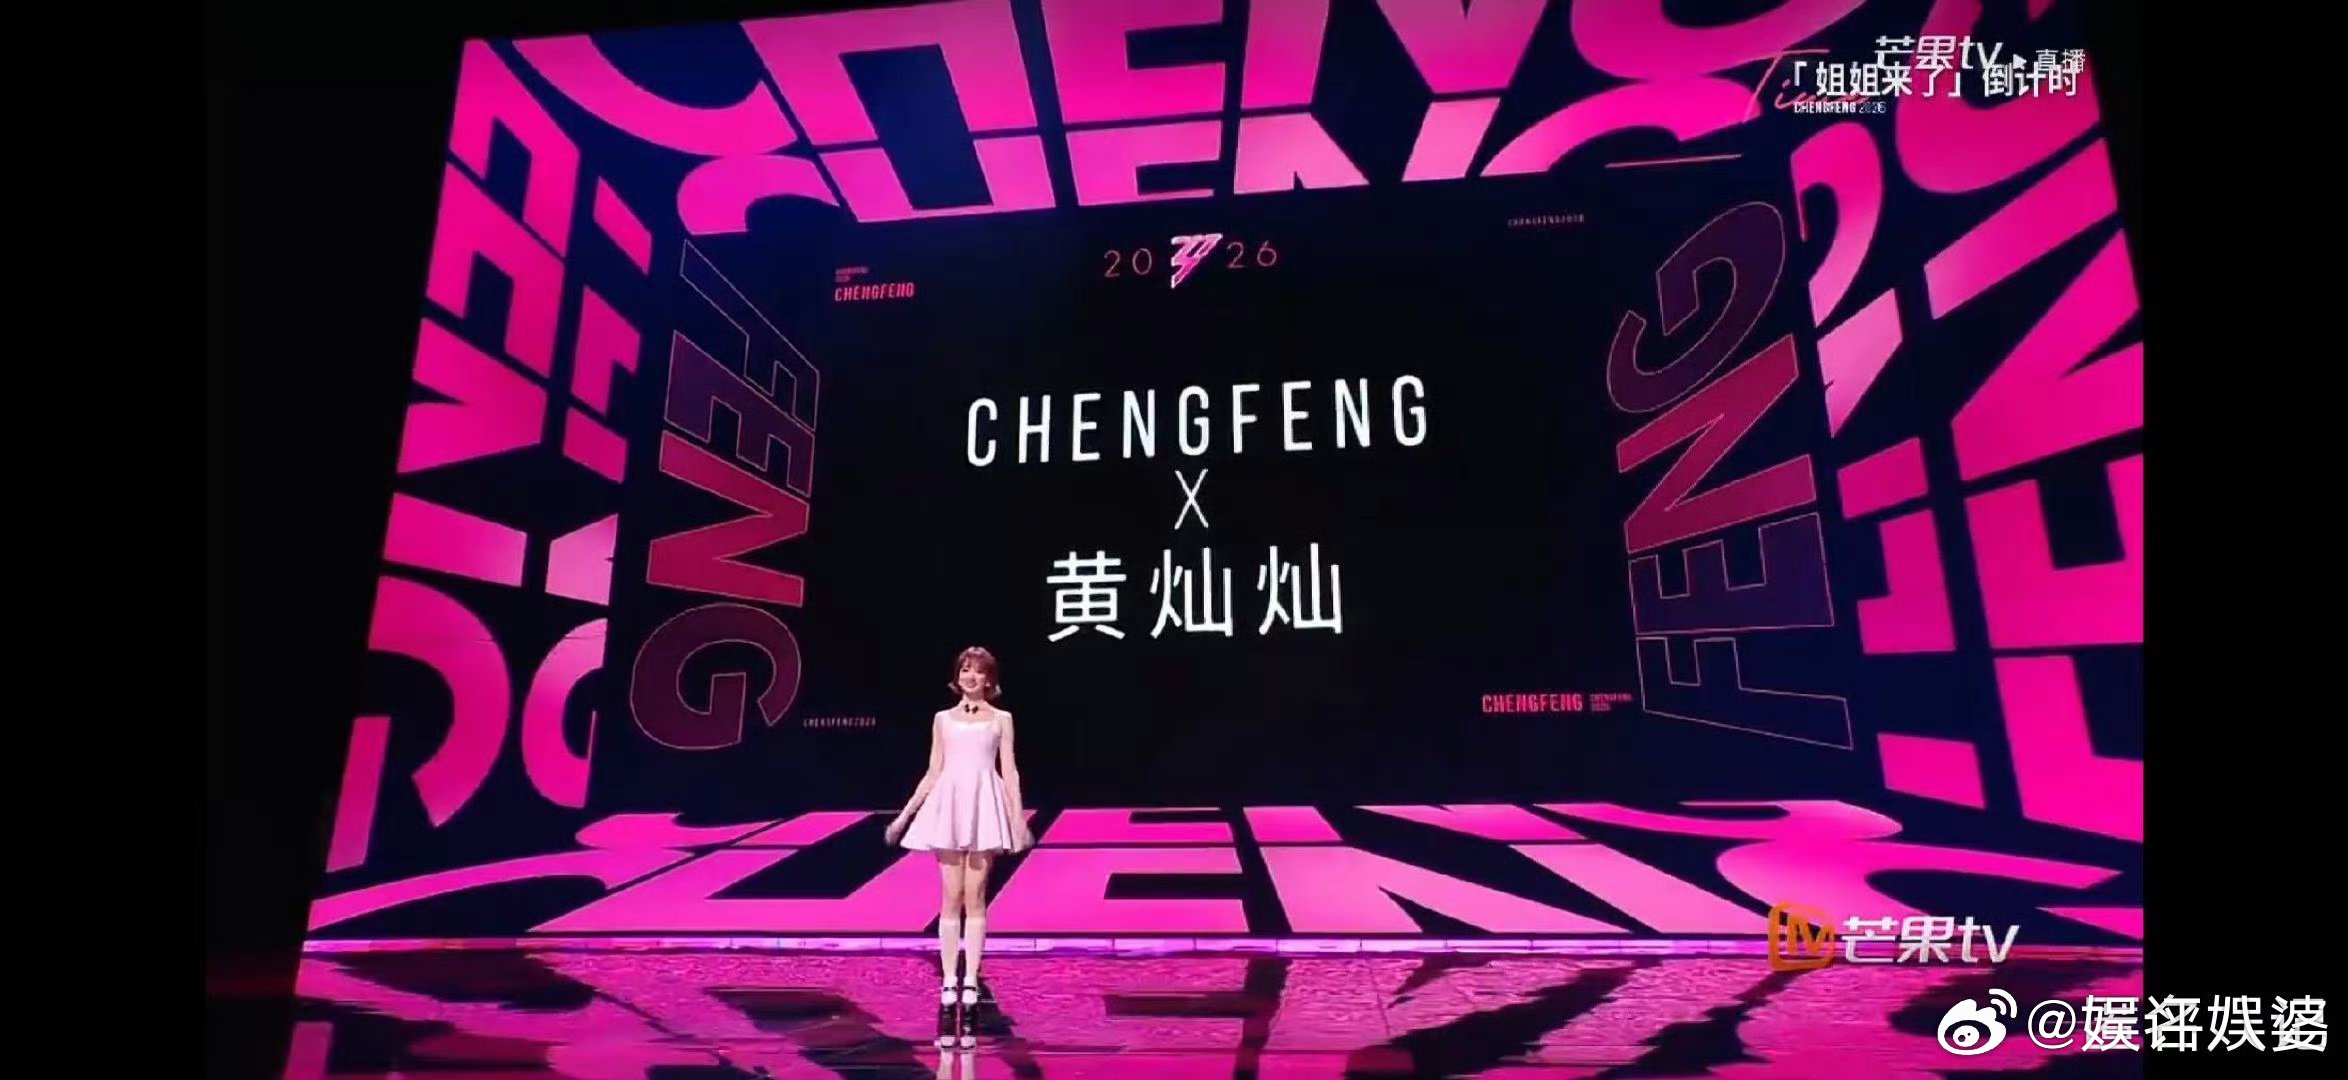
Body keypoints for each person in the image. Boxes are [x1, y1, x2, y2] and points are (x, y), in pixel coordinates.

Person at [884, 646, 1031, 1047]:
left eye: (978, 671)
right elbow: (933, 771)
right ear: (957, 676)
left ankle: (970, 982)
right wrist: (904, 817)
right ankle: (949, 982)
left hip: (984, 804)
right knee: (950, 898)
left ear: (989, 679)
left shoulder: (1002, 719)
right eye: (965, 669)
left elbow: (1010, 771)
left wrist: (1018, 819)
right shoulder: (942, 719)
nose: (970, 676)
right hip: (949, 804)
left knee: (975, 896)